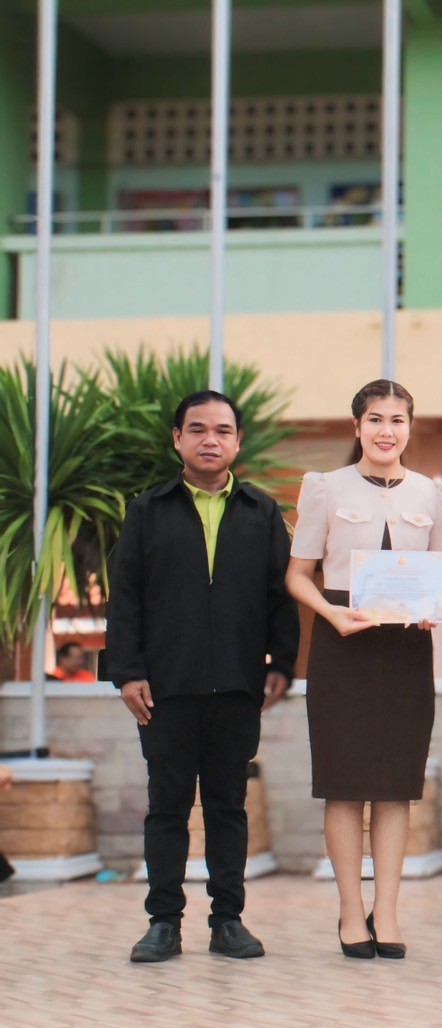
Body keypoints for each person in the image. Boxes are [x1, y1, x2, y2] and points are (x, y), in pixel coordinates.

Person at [104, 390, 298, 963]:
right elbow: (125, 596)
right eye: (197, 429)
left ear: (238, 441)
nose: (210, 440)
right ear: (177, 439)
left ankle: (228, 920)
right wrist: (128, 673)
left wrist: (283, 664)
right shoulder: (148, 510)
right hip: (164, 689)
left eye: (222, 430)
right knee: (166, 807)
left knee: (227, 807)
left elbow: (281, 597)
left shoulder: (262, 512)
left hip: (238, 686)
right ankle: (163, 922)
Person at [286, 380, 442, 959]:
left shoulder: (431, 493)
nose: (387, 430)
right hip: (342, 643)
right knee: (344, 785)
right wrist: (331, 613)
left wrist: (436, 609)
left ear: (411, 427)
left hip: (404, 650)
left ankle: (387, 911)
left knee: (394, 787)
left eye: (397, 420)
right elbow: (297, 575)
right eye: (376, 419)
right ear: (356, 426)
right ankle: (350, 910)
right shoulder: (325, 487)